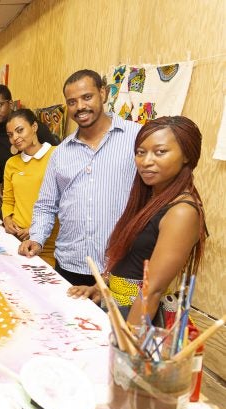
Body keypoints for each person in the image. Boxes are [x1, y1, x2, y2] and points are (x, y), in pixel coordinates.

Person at [68, 116, 207, 325]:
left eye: (160, 152)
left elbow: (152, 291)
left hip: (136, 320)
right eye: (141, 152)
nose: (146, 161)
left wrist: (128, 347)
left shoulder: (182, 212)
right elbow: (131, 260)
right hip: (116, 308)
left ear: (186, 155)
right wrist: (100, 289)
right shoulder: (150, 197)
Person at [18, 69, 142, 285]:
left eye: (87, 97)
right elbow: (46, 204)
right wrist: (37, 238)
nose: (80, 107)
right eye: (72, 102)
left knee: (120, 320)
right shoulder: (61, 152)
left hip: (122, 267)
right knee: (71, 320)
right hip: (70, 267)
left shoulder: (136, 138)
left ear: (103, 93)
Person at [1, 109, 58, 267]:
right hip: (16, 240)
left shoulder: (56, 155)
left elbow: (66, 202)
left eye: (20, 130)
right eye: (10, 134)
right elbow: (8, 200)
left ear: (34, 127)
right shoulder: (11, 163)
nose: (15, 138)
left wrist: (35, 229)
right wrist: (7, 219)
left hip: (47, 243)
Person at [0, 84, 60, 194]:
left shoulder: (32, 127)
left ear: (10, 104)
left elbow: (55, 159)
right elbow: (3, 165)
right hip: (14, 192)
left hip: (42, 191)